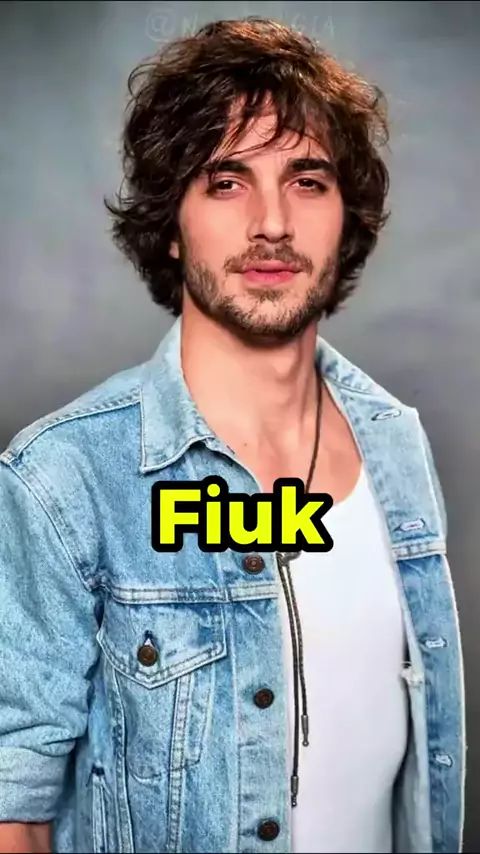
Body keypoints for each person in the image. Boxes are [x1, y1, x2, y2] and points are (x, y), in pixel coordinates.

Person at [0, 16, 465, 854]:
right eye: (226, 181)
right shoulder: (63, 479)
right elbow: (14, 812)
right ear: (171, 226)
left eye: (308, 180)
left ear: (346, 217)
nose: (272, 223)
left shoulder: (396, 443)